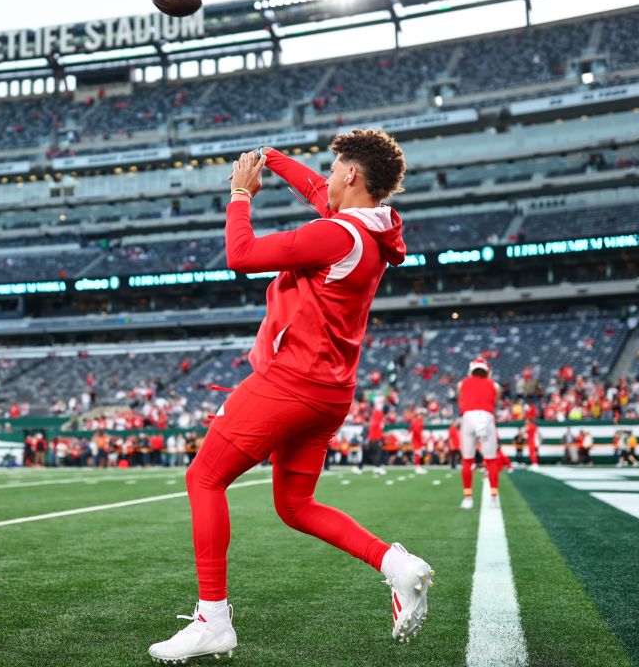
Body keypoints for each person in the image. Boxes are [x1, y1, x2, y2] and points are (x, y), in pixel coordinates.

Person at [149, 136, 433, 663]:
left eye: (333, 170)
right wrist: (272, 158)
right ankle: (395, 564)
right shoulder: (372, 231)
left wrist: (240, 194)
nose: (323, 178)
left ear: (350, 176)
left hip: (292, 381)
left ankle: (213, 619)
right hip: (331, 391)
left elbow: (242, 255)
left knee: (204, 478)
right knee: (295, 506)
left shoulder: (334, 234)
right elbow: (316, 191)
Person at [457, 359, 502, 509]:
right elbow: (495, 398)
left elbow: (461, 399)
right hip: (487, 417)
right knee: (491, 461)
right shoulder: (494, 385)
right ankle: (494, 497)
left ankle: (468, 497)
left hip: (469, 417)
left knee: (467, 460)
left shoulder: (462, 383)